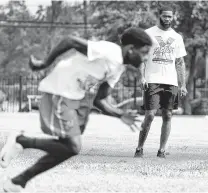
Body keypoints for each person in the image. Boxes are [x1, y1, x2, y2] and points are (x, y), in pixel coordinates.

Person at [0, 27, 152, 192]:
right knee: (72, 146)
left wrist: (120, 114)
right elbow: (70, 41)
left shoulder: (118, 68)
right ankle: (20, 141)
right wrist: (44, 63)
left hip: (75, 98)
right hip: (60, 90)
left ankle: (17, 182)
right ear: (130, 49)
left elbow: (99, 100)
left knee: (66, 149)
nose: (145, 58)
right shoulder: (110, 52)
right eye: (144, 53)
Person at [134, 6, 187, 159]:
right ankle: (140, 147)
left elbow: (179, 62)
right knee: (150, 115)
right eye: (165, 16)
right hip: (152, 80)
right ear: (159, 16)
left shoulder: (177, 37)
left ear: (174, 17)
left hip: (170, 82)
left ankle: (162, 150)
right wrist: (141, 77)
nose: (167, 19)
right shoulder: (148, 34)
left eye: (170, 17)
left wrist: (182, 84)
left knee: (168, 115)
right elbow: (141, 58)